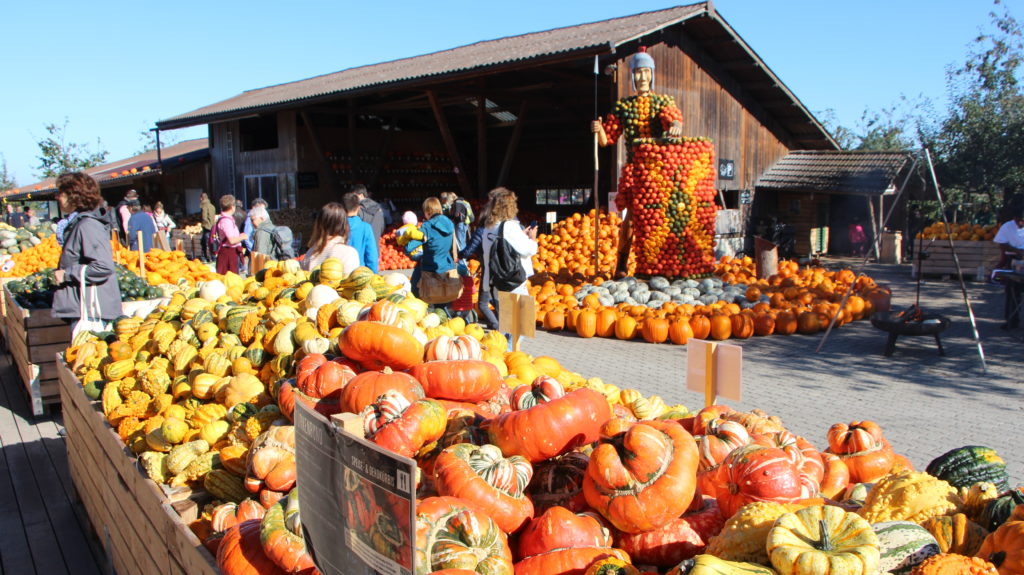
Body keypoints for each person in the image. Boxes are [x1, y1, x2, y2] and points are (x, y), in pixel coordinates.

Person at [592, 47, 717, 278]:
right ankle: (622, 263)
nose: (642, 77)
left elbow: (673, 119)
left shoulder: (662, 102)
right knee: (631, 221)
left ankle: (671, 263)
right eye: (638, 72)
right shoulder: (624, 106)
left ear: (652, 74)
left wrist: (675, 126)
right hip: (635, 172)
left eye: (646, 72)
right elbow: (606, 140)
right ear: (632, 75)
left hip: (661, 174)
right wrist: (598, 131)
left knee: (664, 219)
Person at [51, 172, 122, 323]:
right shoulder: (79, 223)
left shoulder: (87, 226)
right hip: (86, 308)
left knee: (85, 347)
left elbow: (103, 266)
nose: (57, 197)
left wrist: (66, 274)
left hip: (92, 311)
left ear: (74, 195)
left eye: (60, 193)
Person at [458, 188, 503, 329]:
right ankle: (503, 324)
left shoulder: (482, 230)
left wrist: (458, 255)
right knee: (496, 299)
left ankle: (497, 326)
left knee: (483, 304)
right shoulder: (501, 228)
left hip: (488, 269)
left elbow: (469, 250)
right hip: (501, 269)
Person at [481, 188, 538, 298]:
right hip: (513, 281)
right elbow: (529, 249)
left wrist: (520, 234)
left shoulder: (489, 227)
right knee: (521, 314)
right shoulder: (509, 226)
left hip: (497, 280)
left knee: (505, 314)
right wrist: (532, 238)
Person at [411, 197, 457, 308]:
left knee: (417, 293)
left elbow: (410, 248)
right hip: (447, 267)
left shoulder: (427, 226)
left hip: (430, 270)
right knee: (443, 303)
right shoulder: (450, 224)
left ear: (427, 212)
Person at [301, 203, 360, 274]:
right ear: (344, 225)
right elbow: (352, 282)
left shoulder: (311, 252)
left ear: (319, 225)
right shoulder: (348, 253)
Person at [993, 210, 1024, 330]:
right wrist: (1017, 251)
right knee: (1012, 292)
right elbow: (1001, 243)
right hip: (1014, 259)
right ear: (1015, 218)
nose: (1021, 223)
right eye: (1019, 220)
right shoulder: (1007, 226)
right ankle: (1011, 320)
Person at [343, 191, 379, 272]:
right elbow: (372, 256)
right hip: (359, 273)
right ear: (358, 208)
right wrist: (374, 275)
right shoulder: (365, 227)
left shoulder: (337, 227)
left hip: (339, 274)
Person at [214, 195, 247, 275]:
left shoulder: (227, 219)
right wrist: (242, 237)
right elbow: (231, 240)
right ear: (232, 207)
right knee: (230, 279)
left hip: (230, 252)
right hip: (228, 253)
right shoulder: (226, 221)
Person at [199, 192, 216, 261]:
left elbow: (204, 217)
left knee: (204, 243)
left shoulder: (204, 206)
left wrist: (204, 225)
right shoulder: (212, 206)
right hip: (213, 227)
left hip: (207, 227)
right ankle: (213, 256)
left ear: (201, 198)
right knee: (212, 242)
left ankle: (205, 258)